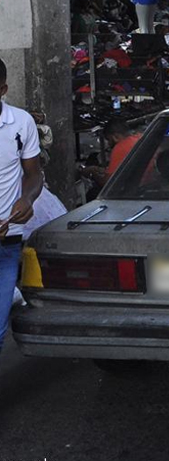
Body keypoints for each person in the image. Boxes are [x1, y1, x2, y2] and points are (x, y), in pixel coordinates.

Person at [0, 59, 44, 355]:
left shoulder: (21, 123)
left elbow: (34, 173)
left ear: (2, 89)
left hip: (7, 242)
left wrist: (27, 198)